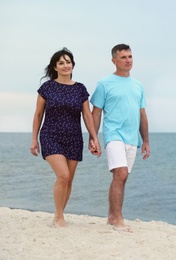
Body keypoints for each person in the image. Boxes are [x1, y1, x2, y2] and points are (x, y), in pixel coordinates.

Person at [30, 47, 102, 227]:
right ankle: (59, 216)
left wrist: (94, 138)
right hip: (50, 135)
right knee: (63, 175)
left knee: (69, 179)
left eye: (68, 62)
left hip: (74, 137)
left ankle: (59, 215)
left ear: (73, 65)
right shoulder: (46, 88)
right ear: (55, 67)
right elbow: (38, 114)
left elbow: (87, 115)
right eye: (61, 63)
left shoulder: (80, 88)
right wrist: (34, 139)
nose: (65, 66)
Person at [90, 43, 150, 232]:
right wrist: (94, 138)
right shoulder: (104, 83)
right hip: (113, 134)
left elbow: (142, 114)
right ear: (114, 60)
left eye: (130, 56)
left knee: (121, 177)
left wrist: (146, 140)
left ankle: (111, 216)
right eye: (123, 57)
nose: (128, 60)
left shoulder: (138, 85)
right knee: (121, 173)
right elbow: (96, 112)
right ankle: (118, 220)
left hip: (132, 138)